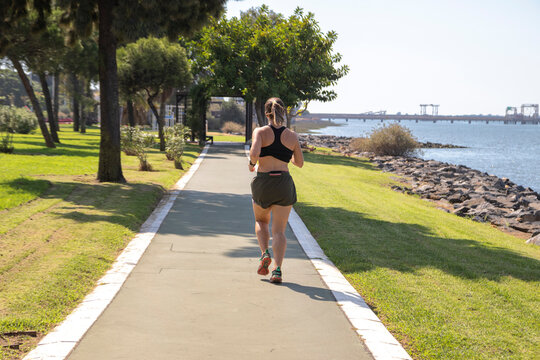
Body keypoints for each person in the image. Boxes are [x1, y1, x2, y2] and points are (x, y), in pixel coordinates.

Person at [248, 97, 304, 283]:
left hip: (264, 182)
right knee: (279, 231)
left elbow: (255, 153)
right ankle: (277, 270)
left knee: (261, 221)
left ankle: (265, 253)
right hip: (283, 184)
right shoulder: (292, 136)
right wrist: (288, 159)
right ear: (283, 113)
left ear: (267, 114)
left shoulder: (261, 131)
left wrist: (251, 164)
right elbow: (300, 163)